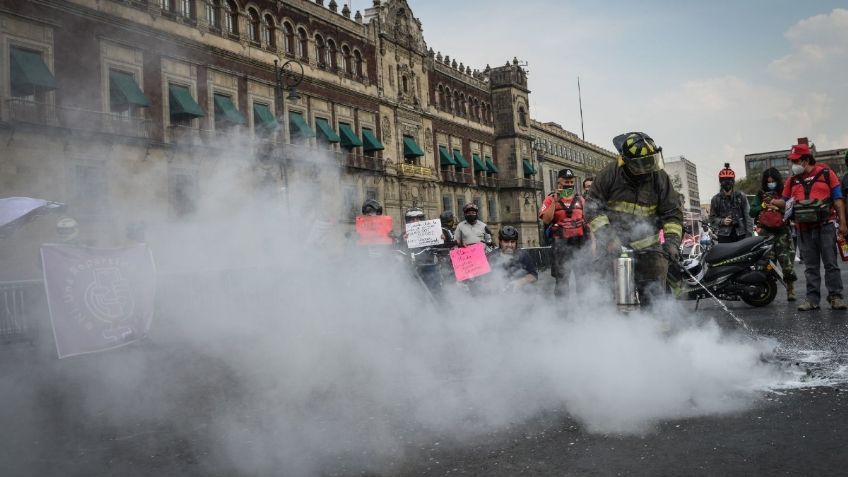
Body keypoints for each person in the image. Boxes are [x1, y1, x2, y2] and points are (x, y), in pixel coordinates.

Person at [584, 132, 683, 306]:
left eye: (650, 161)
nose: (647, 168)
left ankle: (655, 327)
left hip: (649, 249)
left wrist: (672, 243)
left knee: (654, 296)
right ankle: (612, 327)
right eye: (641, 164)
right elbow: (592, 209)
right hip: (613, 249)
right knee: (610, 296)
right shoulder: (609, 175)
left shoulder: (659, 177)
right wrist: (608, 239)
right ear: (626, 162)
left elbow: (672, 213)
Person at [774, 142, 847, 311]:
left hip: (826, 226)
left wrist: (843, 223)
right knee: (810, 267)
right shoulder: (792, 181)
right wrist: (771, 202)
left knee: (831, 264)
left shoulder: (827, 173)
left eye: (796, 161)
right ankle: (812, 300)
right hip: (803, 229)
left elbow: (837, 199)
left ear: (806, 160)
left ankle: (835, 297)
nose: (793, 164)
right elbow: (784, 203)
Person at [749, 167, 797, 301]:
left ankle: (791, 289)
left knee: (787, 263)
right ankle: (767, 290)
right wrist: (763, 206)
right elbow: (752, 212)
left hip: (783, 233)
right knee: (767, 264)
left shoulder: (784, 193)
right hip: (766, 234)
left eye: (773, 181)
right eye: (768, 181)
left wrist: (778, 208)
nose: (771, 183)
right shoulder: (760, 194)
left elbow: (791, 210)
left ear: (778, 180)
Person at [539, 168, 586, 296]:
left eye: (571, 181)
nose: (569, 184)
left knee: (582, 280)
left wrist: (592, 243)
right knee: (562, 281)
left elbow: (588, 222)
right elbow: (546, 220)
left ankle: (585, 310)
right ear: (559, 182)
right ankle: (562, 312)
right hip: (560, 245)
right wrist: (555, 201)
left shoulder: (580, 200)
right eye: (566, 181)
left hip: (579, 244)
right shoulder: (549, 199)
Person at [709, 163, 751, 243]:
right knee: (725, 255)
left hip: (741, 234)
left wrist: (749, 235)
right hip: (724, 236)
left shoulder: (741, 196)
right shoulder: (715, 199)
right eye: (724, 180)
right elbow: (712, 219)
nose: (727, 182)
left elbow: (748, 216)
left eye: (729, 180)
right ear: (721, 182)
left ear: (733, 181)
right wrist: (722, 221)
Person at [490, 225, 537, 291]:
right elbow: (484, 278)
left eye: (512, 242)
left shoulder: (523, 255)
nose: (509, 245)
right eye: (506, 241)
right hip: (498, 296)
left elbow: (534, 276)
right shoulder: (492, 256)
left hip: (521, 295)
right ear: (500, 242)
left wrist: (520, 282)